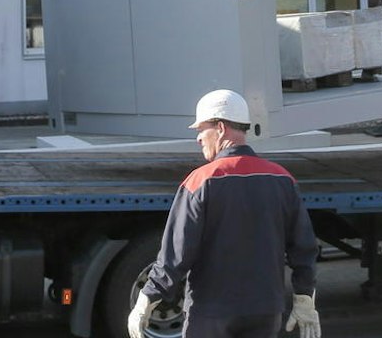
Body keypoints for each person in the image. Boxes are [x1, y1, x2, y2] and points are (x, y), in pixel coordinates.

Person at [129, 89, 320, 338]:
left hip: (211, 312)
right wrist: (304, 298)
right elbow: (304, 248)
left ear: (220, 128)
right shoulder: (282, 179)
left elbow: (176, 254)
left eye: (201, 129)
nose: (198, 138)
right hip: (265, 312)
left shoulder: (200, 181)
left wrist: (148, 296)